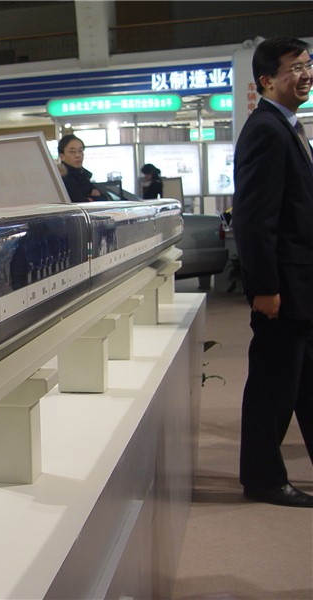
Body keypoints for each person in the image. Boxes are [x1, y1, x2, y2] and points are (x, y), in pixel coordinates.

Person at [232, 37, 313, 508]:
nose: (306, 74)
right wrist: (264, 287)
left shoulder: (287, 126)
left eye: (308, 64)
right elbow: (254, 218)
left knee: (306, 384)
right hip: (282, 288)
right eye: (295, 68)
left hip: (302, 284)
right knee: (273, 388)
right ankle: (262, 478)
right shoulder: (266, 129)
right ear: (266, 80)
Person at [57, 134, 104, 203]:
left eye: (80, 151)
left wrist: (93, 199)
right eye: (72, 151)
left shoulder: (83, 175)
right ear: (62, 156)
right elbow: (79, 202)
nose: (78, 155)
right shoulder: (61, 179)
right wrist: (92, 199)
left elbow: (103, 199)